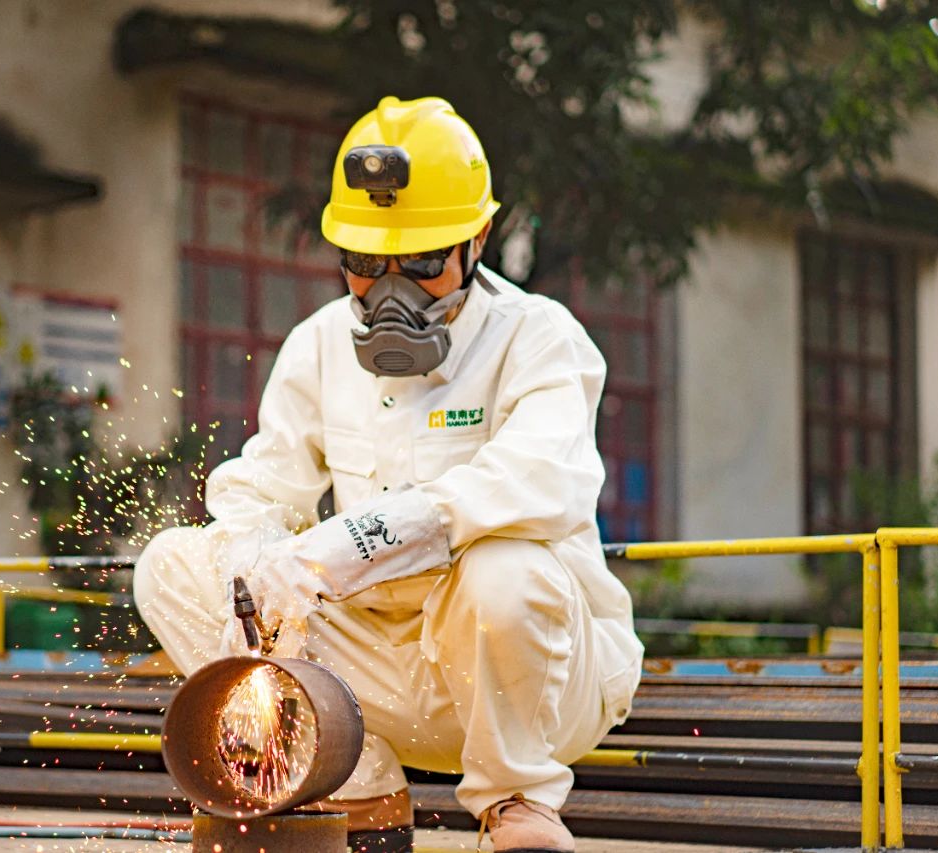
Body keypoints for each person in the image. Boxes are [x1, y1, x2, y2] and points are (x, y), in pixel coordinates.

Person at [135, 95, 643, 853]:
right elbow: (259, 486)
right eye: (367, 264)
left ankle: (518, 802)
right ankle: (352, 783)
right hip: (376, 678)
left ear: (479, 238)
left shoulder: (540, 340)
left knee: (506, 568)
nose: (391, 290)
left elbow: (533, 481)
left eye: (423, 263)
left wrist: (346, 545)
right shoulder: (317, 345)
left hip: (531, 680)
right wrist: (257, 563)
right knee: (171, 565)